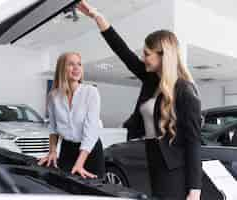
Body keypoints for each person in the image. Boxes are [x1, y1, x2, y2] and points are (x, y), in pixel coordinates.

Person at [77, 1, 202, 200]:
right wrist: (97, 17)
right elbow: (123, 52)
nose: (143, 58)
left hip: (174, 168)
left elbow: (194, 142)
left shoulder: (185, 91)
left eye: (147, 54)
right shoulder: (151, 79)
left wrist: (195, 189)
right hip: (152, 156)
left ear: (163, 56)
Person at [38, 52, 105, 179]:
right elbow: (53, 127)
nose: (76, 68)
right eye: (71, 64)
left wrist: (79, 164)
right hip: (67, 150)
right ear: (62, 69)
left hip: (90, 151)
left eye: (79, 64)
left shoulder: (91, 92)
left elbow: (91, 131)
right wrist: (52, 151)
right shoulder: (53, 96)